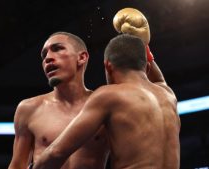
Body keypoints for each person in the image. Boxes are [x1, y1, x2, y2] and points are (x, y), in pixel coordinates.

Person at [33, 33, 181, 169]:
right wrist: (144, 47)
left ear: (108, 66)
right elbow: (159, 79)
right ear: (146, 66)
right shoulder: (167, 94)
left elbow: (56, 153)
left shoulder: (108, 95)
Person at [8, 32, 110, 169]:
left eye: (57, 49)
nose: (48, 58)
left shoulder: (105, 106)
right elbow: (17, 165)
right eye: (44, 55)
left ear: (81, 57)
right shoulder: (29, 108)